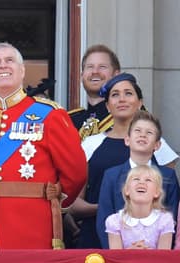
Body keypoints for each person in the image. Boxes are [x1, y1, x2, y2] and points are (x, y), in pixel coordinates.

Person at [0, 42, 87, 249]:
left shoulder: (50, 114)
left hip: (34, 225)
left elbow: (75, 172)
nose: (3, 66)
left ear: (22, 71)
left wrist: (51, 203)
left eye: (10, 61)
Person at [68, 73, 177, 248]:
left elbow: (171, 204)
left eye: (128, 93)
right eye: (115, 95)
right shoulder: (90, 143)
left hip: (155, 247)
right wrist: (105, 207)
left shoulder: (157, 143)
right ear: (107, 105)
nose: (122, 99)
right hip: (100, 238)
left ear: (140, 102)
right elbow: (74, 201)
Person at [96, 111, 179, 248]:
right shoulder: (111, 175)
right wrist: (117, 255)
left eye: (149, 133)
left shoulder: (167, 176)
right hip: (119, 256)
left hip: (158, 255)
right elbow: (103, 218)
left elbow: (174, 216)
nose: (142, 135)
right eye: (138, 131)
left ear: (157, 145)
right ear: (127, 139)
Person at [105, 164, 174, 250]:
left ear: (157, 193)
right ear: (127, 190)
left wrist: (145, 253)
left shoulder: (165, 220)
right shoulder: (114, 221)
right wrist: (131, 252)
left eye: (148, 180)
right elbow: (116, 258)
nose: (141, 182)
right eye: (136, 179)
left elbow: (164, 258)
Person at [69, 45, 120, 139]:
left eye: (102, 67)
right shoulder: (69, 120)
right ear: (81, 76)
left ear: (116, 75)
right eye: (90, 67)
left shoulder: (126, 119)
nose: (95, 71)